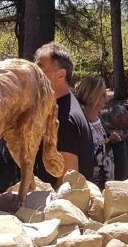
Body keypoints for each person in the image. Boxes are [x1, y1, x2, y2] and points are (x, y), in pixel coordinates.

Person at [34, 42, 94, 187]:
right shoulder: (66, 106)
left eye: (40, 69)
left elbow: (68, 184)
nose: (33, 75)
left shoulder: (64, 119)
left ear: (60, 75)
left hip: (59, 200)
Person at [75, 76, 118, 189]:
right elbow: (87, 151)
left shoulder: (99, 118)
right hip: (91, 187)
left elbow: (99, 143)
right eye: (103, 95)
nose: (106, 99)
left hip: (107, 183)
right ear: (91, 96)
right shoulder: (80, 122)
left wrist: (110, 139)